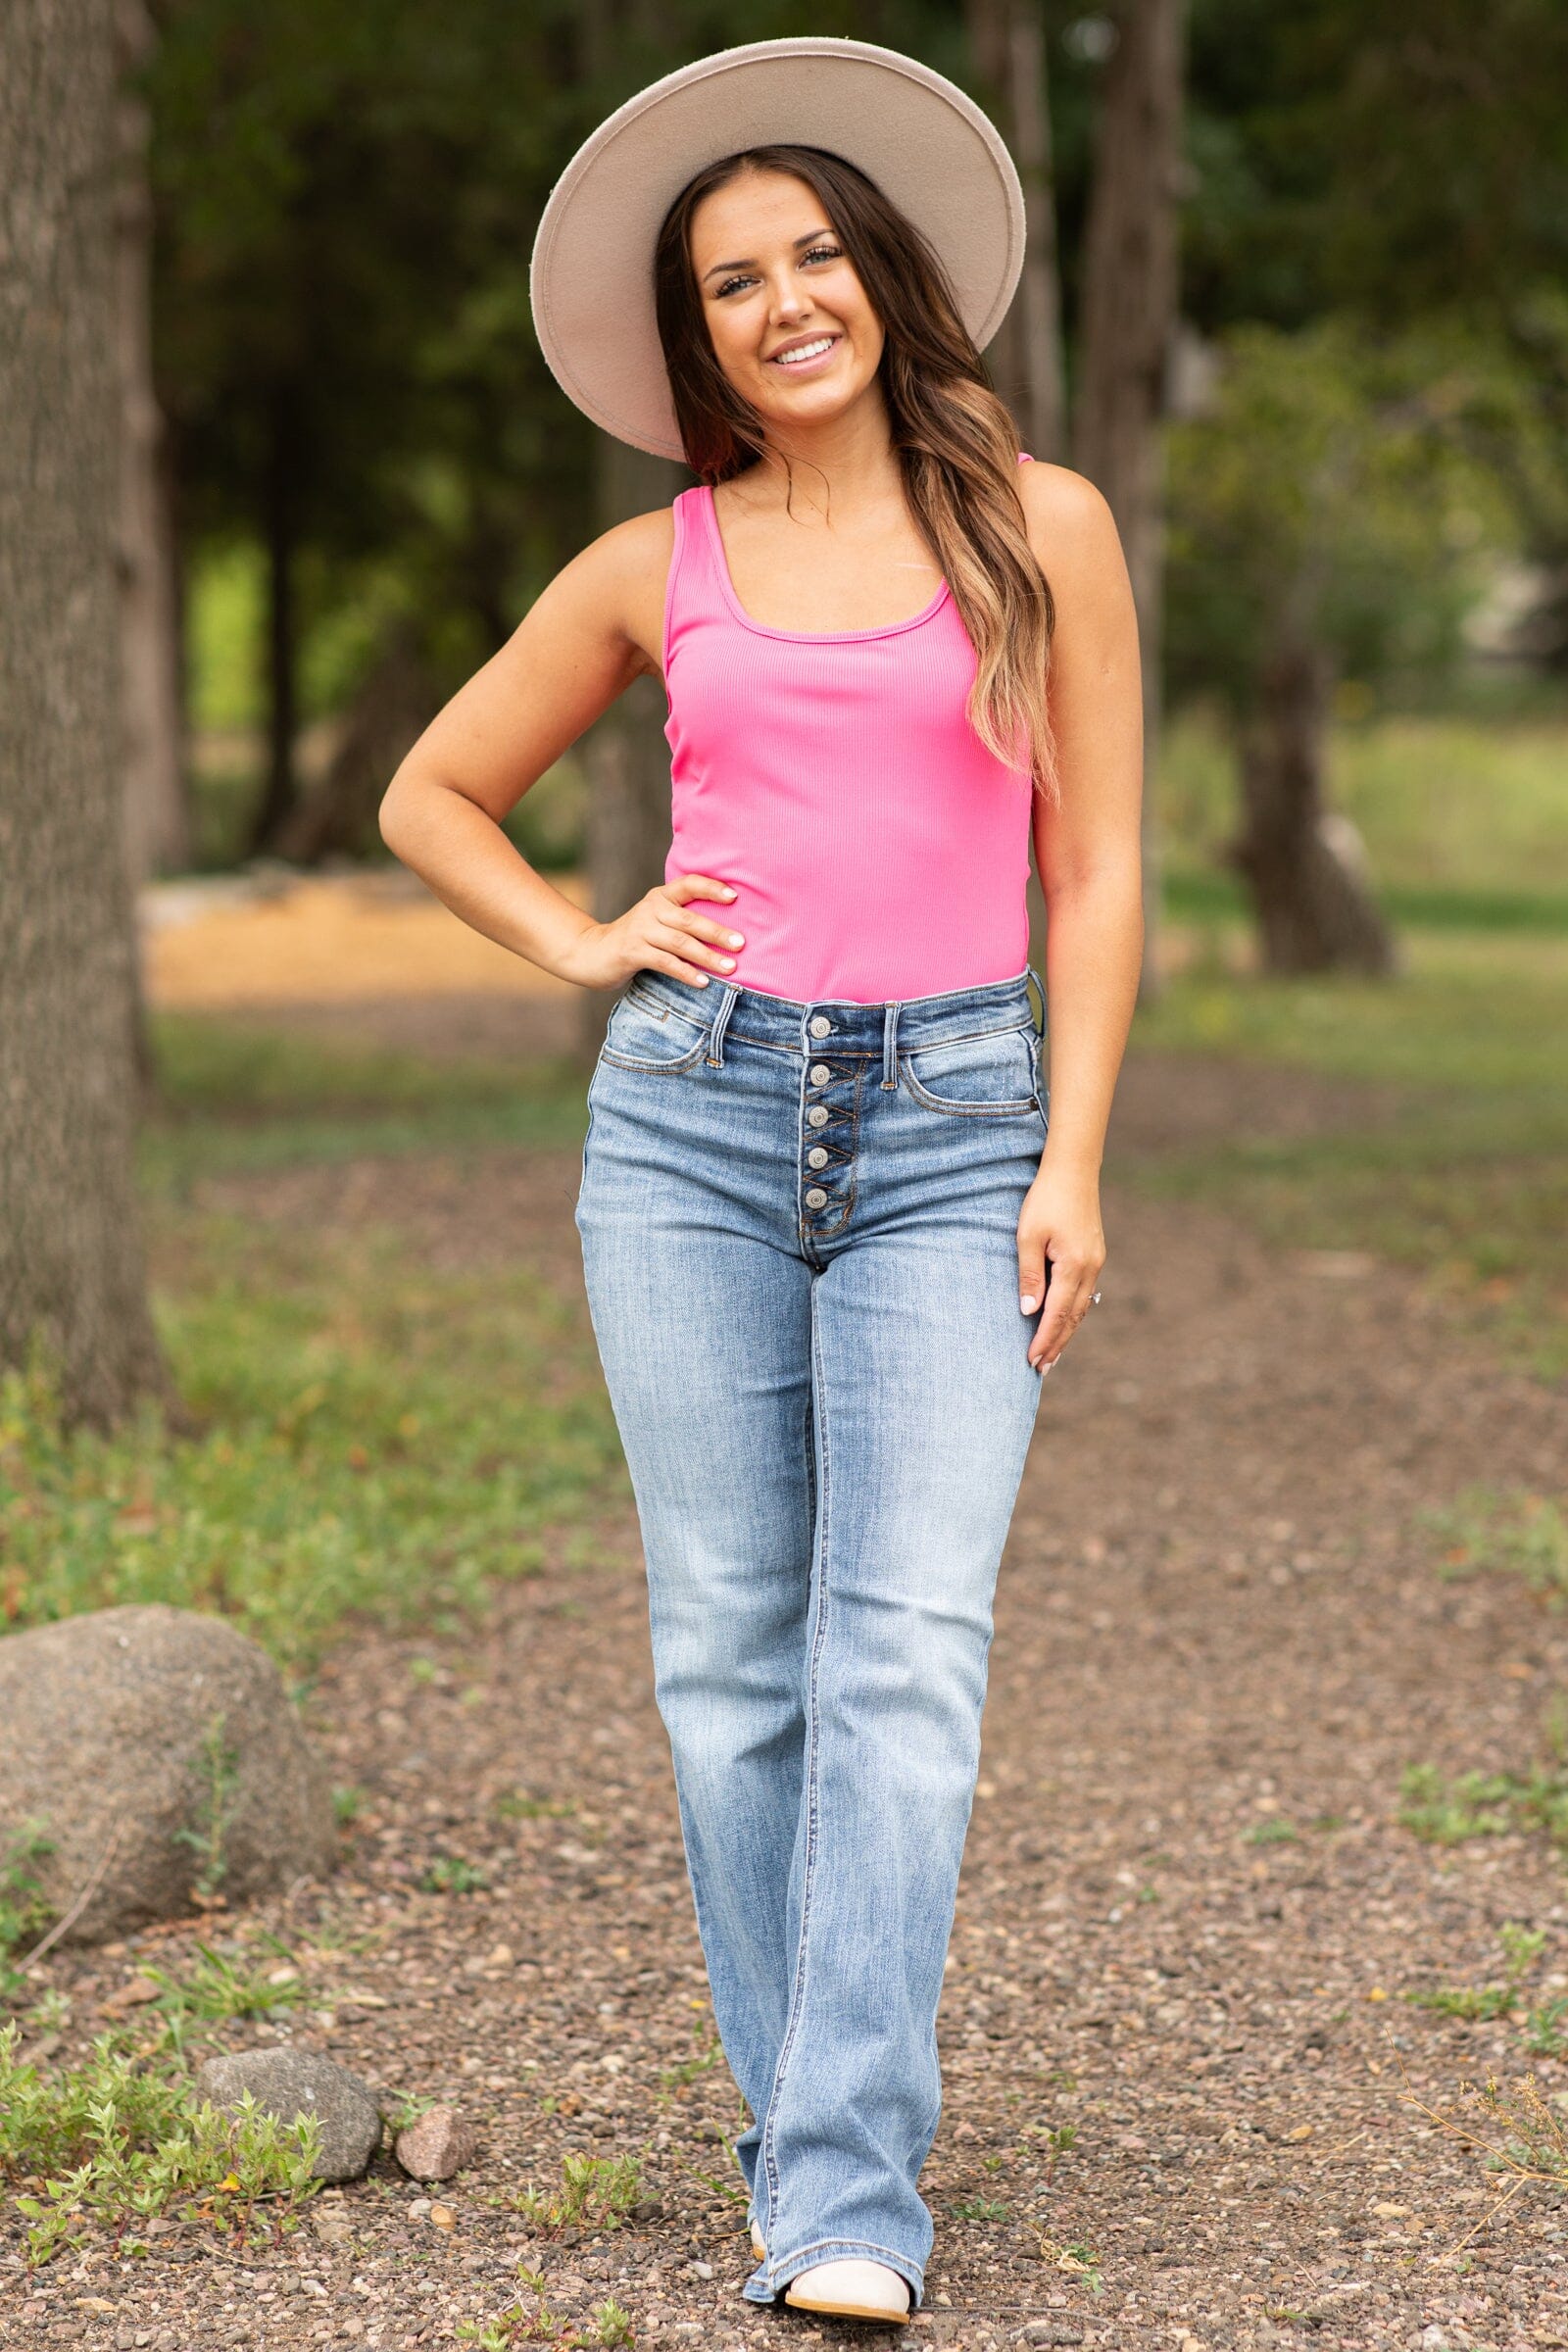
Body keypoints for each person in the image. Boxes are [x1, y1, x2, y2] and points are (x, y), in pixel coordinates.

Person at [379, 35, 1143, 2328]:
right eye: (732, 281)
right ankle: (827, 2168)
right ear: (691, 338)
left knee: (898, 1651)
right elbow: (432, 794)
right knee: (729, 1659)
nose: (785, 301)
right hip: (687, 1129)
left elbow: (1094, 867)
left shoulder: (1041, 523)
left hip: (954, 1126)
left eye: (815, 256)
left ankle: (833, 2187)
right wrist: (577, 942)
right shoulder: (654, 564)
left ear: (884, 276)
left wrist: (1070, 1156)